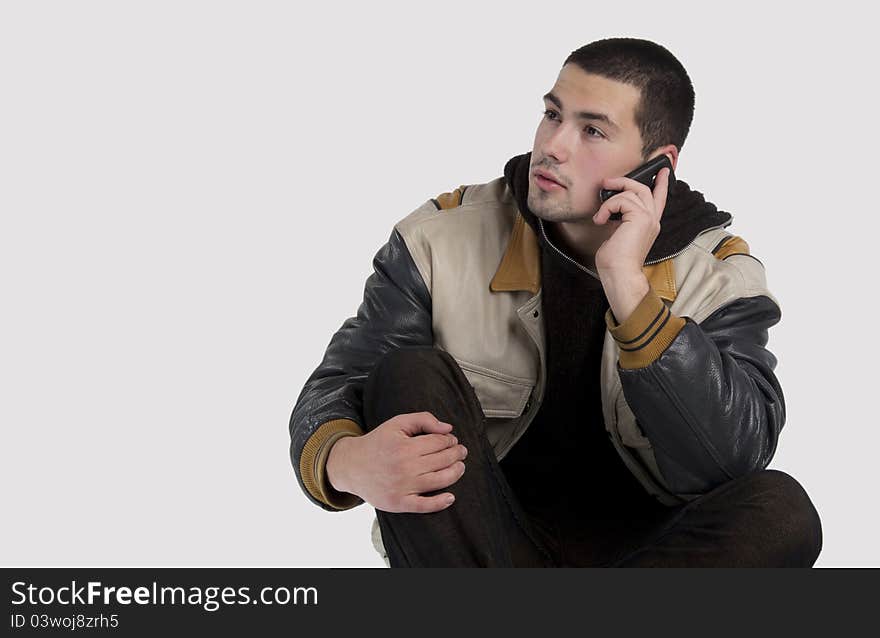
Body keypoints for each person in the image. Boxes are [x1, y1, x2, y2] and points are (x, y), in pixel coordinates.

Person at [288, 37, 823, 567]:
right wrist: (345, 461)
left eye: (592, 130)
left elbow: (732, 458)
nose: (554, 145)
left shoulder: (718, 276)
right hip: (480, 550)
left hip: (650, 561)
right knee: (409, 373)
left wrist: (629, 289)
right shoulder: (437, 241)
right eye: (552, 114)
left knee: (782, 511)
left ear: (656, 165)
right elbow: (340, 384)